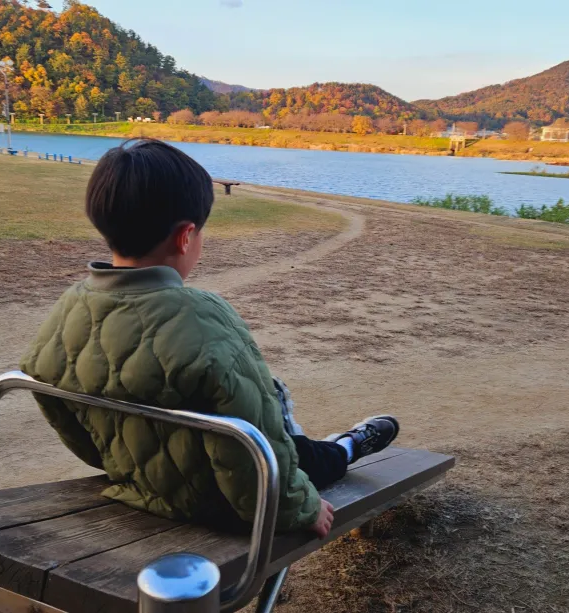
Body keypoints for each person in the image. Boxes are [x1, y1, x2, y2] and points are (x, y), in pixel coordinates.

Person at [20, 139, 400, 538]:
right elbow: (256, 441)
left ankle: (328, 438)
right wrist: (300, 510)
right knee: (304, 452)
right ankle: (348, 447)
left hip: (134, 484)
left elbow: (65, 418)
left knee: (294, 441)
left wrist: (125, 464)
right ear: (185, 236)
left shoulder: (68, 307)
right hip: (217, 504)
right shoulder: (203, 316)